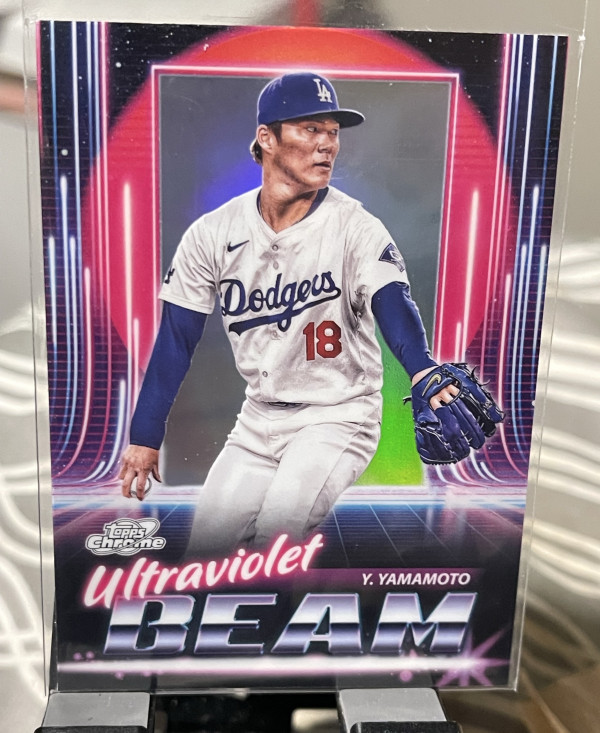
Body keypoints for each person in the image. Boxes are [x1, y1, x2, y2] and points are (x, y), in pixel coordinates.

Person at [119, 72, 459, 556]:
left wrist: (421, 366)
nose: (327, 145)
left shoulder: (355, 226)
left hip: (338, 416)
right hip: (257, 422)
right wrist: (145, 435)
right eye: (310, 129)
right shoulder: (213, 234)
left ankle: (291, 604)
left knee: (276, 535)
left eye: (333, 132)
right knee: (205, 549)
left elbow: (393, 300)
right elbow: (176, 339)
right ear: (267, 138)